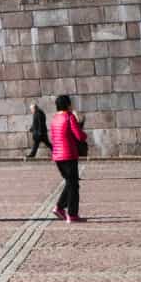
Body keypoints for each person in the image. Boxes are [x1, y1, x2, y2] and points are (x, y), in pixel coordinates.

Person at [49, 94, 88, 223]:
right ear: (68, 104)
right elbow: (79, 136)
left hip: (58, 157)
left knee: (71, 183)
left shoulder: (55, 119)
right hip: (69, 155)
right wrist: (81, 128)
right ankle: (72, 214)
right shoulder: (69, 116)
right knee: (73, 185)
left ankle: (60, 208)